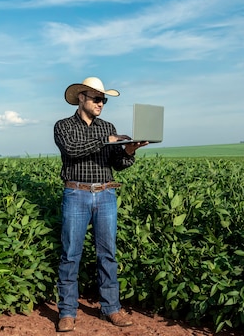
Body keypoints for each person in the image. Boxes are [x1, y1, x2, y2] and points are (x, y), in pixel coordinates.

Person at [53, 76, 148, 332]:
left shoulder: (108, 127)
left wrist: (129, 151)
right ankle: (68, 312)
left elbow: (117, 164)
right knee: (70, 255)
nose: (101, 103)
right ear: (81, 97)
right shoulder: (63, 126)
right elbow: (73, 150)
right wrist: (109, 141)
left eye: (103, 99)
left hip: (106, 194)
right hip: (76, 194)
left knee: (107, 254)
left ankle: (111, 309)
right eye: (97, 98)